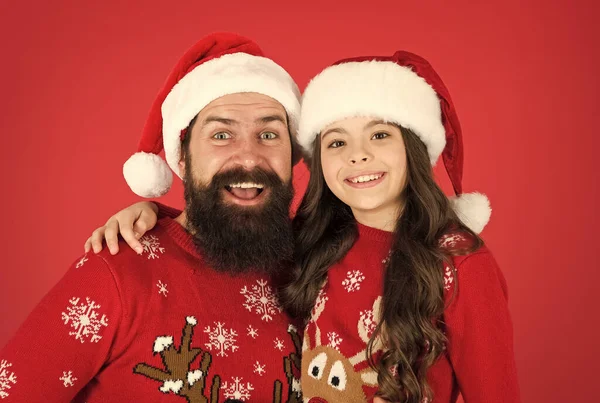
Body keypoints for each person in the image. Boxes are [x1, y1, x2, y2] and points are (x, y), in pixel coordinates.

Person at [84, 51, 521, 402]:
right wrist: (152, 215)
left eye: (380, 135)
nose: (358, 156)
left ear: (415, 146)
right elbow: (228, 232)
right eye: (336, 142)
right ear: (315, 161)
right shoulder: (311, 242)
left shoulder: (458, 262)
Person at [0, 32, 305, 402]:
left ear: (293, 155)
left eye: (269, 134)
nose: (248, 157)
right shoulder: (115, 274)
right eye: (221, 135)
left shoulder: (316, 272)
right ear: (182, 157)